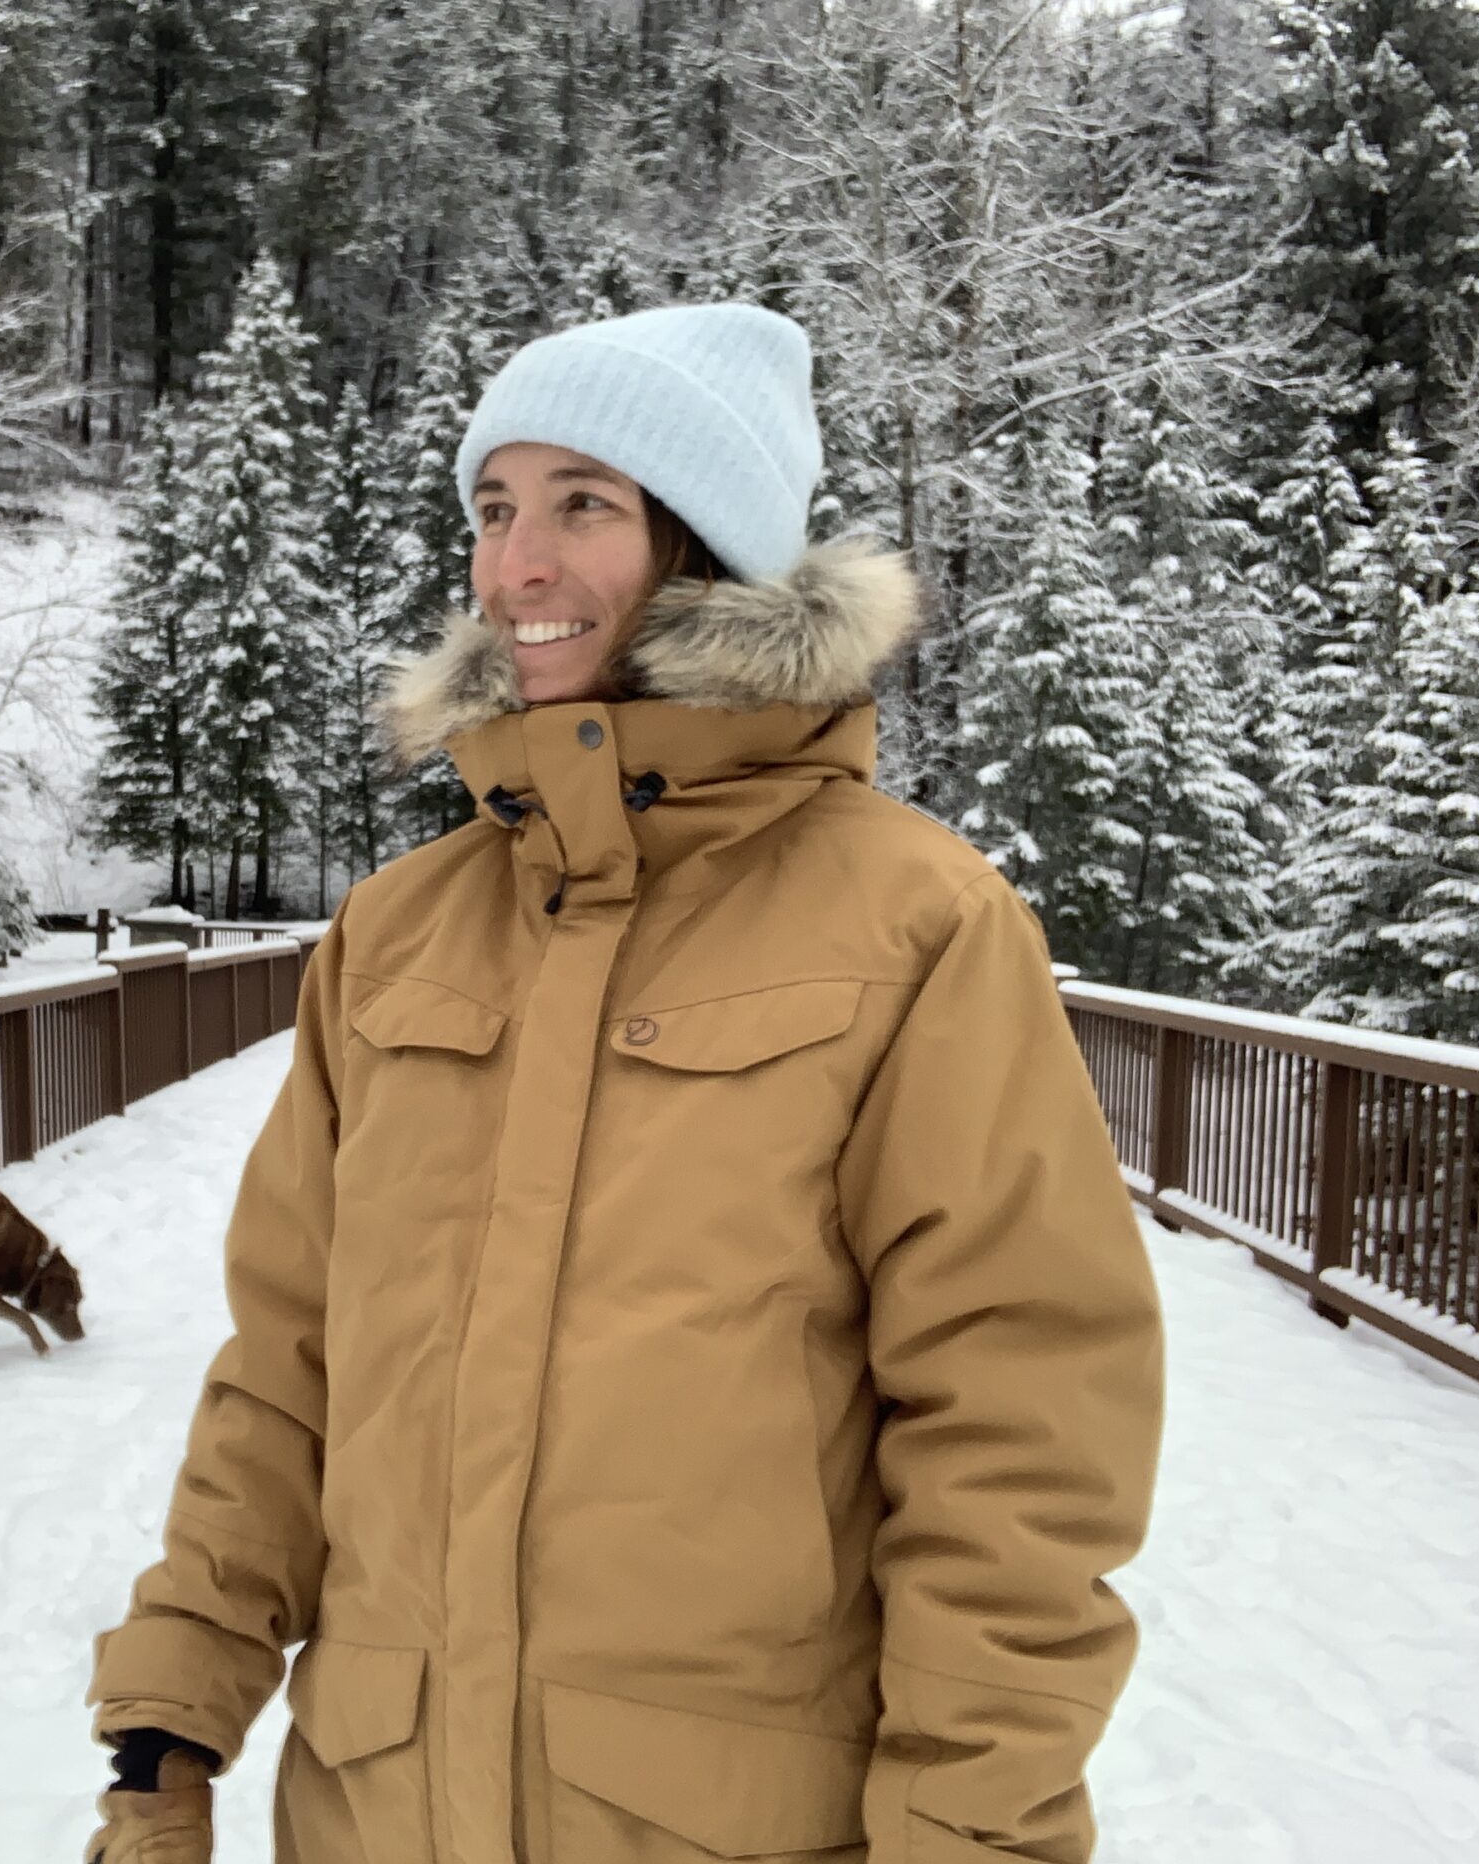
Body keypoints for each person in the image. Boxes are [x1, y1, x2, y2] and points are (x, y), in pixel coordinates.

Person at [81, 301, 1164, 1864]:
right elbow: (290, 1368)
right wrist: (169, 1719)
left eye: (584, 504)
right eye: (495, 507)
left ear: (709, 552)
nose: (520, 563)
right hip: (378, 1813)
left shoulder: (917, 925)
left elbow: (1019, 1437)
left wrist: (974, 1833)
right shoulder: (396, 934)